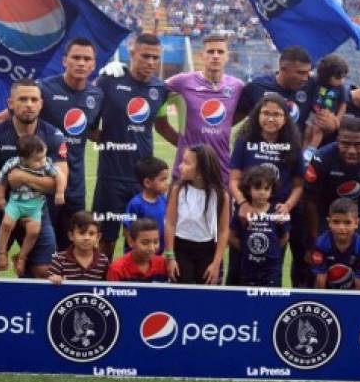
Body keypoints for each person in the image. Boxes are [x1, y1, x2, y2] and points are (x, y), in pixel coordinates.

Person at [0, 79, 68, 279]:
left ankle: (24, 260)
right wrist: (11, 211)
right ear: (10, 103)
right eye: (23, 99)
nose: (29, 104)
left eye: (34, 99)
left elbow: (58, 182)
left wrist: (23, 177)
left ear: (41, 104)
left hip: (36, 210)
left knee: (45, 272)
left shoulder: (54, 136)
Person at [93, 33, 169, 259]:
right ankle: (102, 288)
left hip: (144, 179)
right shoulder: (109, 81)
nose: (151, 62)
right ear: (132, 53)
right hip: (111, 177)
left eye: (156, 58)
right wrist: (107, 140)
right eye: (145, 56)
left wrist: (187, 144)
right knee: (105, 239)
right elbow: (87, 125)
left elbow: (162, 125)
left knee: (144, 240)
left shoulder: (161, 89)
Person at [228, 94, 304, 287]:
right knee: (239, 270)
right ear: (257, 115)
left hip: (276, 217)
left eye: (277, 114)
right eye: (265, 113)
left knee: (272, 268)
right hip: (248, 211)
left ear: (285, 118)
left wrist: (287, 206)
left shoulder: (293, 145)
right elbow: (234, 180)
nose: (270, 118)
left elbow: (298, 185)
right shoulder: (245, 141)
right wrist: (243, 204)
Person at [36, 38, 104, 251]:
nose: (81, 63)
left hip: (75, 186)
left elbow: (93, 132)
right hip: (43, 182)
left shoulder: (97, 95)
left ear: (94, 65)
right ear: (65, 60)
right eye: (76, 57)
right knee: (41, 247)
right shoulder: (44, 89)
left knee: (72, 247)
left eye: (87, 59)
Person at [304, 116, 360, 272]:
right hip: (324, 212)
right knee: (316, 267)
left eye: (359, 145)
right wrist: (313, 242)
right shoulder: (321, 158)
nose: (352, 151)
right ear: (338, 141)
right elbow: (309, 201)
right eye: (345, 144)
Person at [155, 34, 244, 185]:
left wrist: (226, 124)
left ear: (227, 57)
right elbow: (152, 90)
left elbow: (246, 111)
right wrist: (183, 143)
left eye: (220, 52)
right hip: (187, 172)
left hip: (220, 171)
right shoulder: (182, 82)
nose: (215, 56)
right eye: (210, 52)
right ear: (201, 56)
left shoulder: (237, 86)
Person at [0, 134, 65, 276]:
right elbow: (2, 180)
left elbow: (59, 176)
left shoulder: (45, 164)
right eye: (37, 160)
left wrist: (59, 193)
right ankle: (1, 252)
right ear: (23, 159)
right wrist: (0, 198)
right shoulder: (13, 163)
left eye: (44, 156)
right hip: (16, 202)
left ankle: (22, 256)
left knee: (33, 231)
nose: (43, 162)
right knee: (7, 224)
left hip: (35, 205)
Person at [164, 144, 230, 285]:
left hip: (208, 250)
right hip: (181, 248)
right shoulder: (178, 190)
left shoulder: (220, 195)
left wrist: (216, 263)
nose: (180, 166)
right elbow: (170, 223)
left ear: (201, 170)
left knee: (207, 295)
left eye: (187, 163)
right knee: (182, 294)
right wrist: (170, 257)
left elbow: (223, 230)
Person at [229, 166, 290, 287]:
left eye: (266, 188)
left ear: (272, 190)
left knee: (271, 300)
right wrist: (246, 249)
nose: (262, 192)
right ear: (248, 189)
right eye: (257, 188)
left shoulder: (277, 211)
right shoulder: (243, 212)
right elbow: (231, 236)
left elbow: (284, 237)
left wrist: (272, 250)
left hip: (271, 269)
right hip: (248, 268)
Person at [235, 45, 318, 131]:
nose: (305, 78)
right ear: (283, 69)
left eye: (308, 73)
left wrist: (332, 123)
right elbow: (234, 120)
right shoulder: (256, 87)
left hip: (297, 144)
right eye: (301, 73)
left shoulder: (312, 85)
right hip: (266, 144)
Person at [310, 198, 360, 290]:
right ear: (329, 222)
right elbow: (320, 279)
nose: (341, 227)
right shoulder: (321, 244)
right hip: (327, 290)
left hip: (352, 292)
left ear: (356, 223)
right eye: (336, 222)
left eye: (347, 222)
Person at [47, 211, 109, 284]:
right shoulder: (59, 260)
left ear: (98, 237)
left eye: (91, 234)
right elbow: (48, 284)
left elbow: (107, 288)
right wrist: (54, 279)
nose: (86, 238)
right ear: (71, 236)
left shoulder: (103, 261)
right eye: (81, 233)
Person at [123, 156, 169, 254]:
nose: (167, 183)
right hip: (139, 255)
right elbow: (127, 230)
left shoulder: (164, 199)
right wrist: (135, 249)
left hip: (156, 253)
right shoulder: (136, 204)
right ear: (147, 183)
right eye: (163, 179)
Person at [303, 54, 348, 151]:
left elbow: (343, 104)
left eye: (343, 77)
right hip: (314, 112)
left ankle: (310, 151)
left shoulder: (340, 88)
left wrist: (337, 120)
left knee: (318, 131)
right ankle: (303, 152)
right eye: (338, 78)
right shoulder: (316, 81)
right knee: (307, 132)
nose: (341, 81)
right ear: (327, 75)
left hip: (327, 114)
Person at [107, 218, 168, 282]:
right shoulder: (117, 269)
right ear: (131, 242)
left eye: (155, 242)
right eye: (145, 243)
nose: (152, 248)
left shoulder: (163, 264)